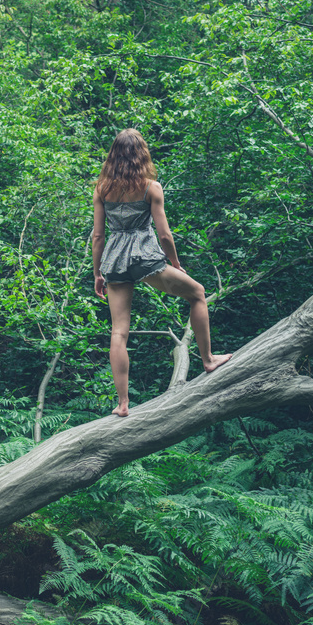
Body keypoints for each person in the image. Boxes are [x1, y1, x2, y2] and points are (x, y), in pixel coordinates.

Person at [92, 128, 231, 416]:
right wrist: (175, 263)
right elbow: (164, 234)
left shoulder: (101, 189)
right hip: (145, 259)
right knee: (197, 293)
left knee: (119, 332)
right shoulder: (150, 187)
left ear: (113, 155)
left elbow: (97, 236)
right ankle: (208, 359)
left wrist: (97, 273)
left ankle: (122, 404)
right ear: (141, 153)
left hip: (115, 262)